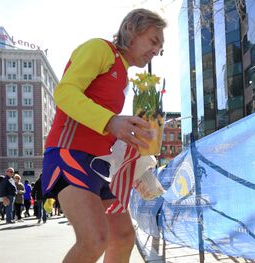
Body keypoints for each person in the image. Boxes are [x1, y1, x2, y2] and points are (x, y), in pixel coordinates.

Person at [41, 8, 165, 262]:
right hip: (69, 153)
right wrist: (110, 121)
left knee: (122, 237)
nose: (156, 51)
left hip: (100, 164)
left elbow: (107, 125)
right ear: (132, 29)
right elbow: (65, 93)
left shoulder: (124, 75)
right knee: (93, 239)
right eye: (153, 41)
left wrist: (136, 159)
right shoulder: (100, 49)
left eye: (160, 47)